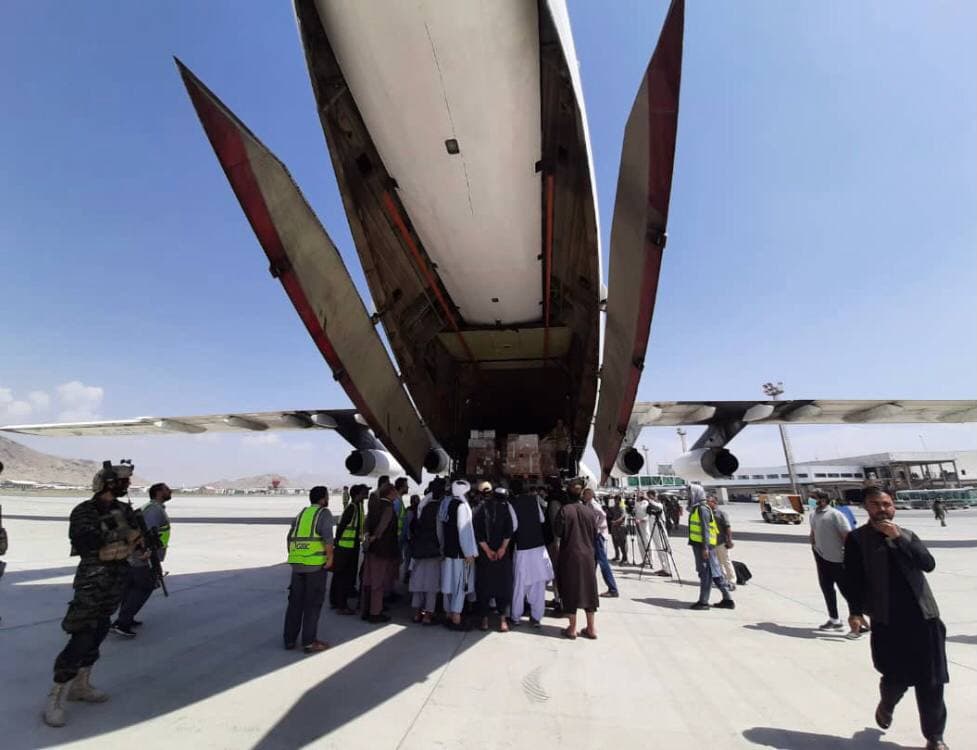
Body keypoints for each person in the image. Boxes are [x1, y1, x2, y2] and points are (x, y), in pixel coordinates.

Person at [845, 487, 949, 750]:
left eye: (887, 504)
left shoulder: (908, 535)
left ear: (894, 506)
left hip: (924, 618)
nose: (882, 509)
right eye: (875, 504)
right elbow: (853, 579)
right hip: (887, 620)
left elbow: (928, 564)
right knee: (895, 677)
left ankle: (934, 737)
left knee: (932, 681)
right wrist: (855, 612)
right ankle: (887, 703)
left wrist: (900, 538)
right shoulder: (857, 539)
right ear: (866, 507)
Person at [44, 460, 141, 728]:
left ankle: (81, 685)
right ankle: (56, 696)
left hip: (117, 578)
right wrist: (123, 536)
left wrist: (137, 541)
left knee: (99, 631)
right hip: (92, 580)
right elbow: (86, 541)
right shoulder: (85, 510)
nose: (127, 485)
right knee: (82, 634)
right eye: (122, 481)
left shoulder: (124, 509)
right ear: (108, 483)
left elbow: (136, 536)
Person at [111, 482, 173, 636]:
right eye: (166, 489)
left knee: (132, 587)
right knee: (144, 586)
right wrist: (148, 551)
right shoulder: (154, 510)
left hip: (140, 554)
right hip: (144, 556)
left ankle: (126, 618)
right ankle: (122, 622)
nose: (169, 491)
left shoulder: (152, 508)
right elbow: (146, 533)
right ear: (158, 492)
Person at [283, 486, 334, 653]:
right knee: (312, 604)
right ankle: (309, 642)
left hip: (297, 566)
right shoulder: (324, 514)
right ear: (322, 499)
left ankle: (289, 640)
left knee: (295, 603)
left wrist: (294, 555)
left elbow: (289, 538)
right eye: (327, 496)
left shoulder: (301, 514)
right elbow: (327, 538)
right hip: (315, 566)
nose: (328, 499)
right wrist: (330, 559)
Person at [554, 479, 600, 639]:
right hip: (588, 556)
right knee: (589, 590)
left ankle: (572, 628)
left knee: (569, 589)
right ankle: (591, 628)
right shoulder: (590, 512)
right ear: (581, 494)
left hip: (570, 555)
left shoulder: (564, 510)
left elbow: (558, 532)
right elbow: (595, 533)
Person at [508, 478, 553, 628]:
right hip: (539, 548)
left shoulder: (511, 503)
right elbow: (541, 519)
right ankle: (536, 617)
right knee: (538, 585)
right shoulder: (534, 500)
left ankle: (515, 617)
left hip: (523, 549)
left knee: (520, 586)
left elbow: (513, 526)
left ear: (512, 490)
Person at [473, 487, 516, 631]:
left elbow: (478, 533)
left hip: (486, 556)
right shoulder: (506, 509)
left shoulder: (481, 509)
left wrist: (487, 551)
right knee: (503, 587)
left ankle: (484, 621)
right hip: (501, 556)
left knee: (484, 586)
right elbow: (509, 531)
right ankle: (502, 621)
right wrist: (502, 549)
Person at [809, 489, 853, 631]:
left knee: (847, 591)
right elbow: (813, 532)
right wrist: (814, 546)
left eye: (813, 498)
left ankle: (857, 619)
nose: (811, 500)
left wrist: (849, 556)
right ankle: (834, 619)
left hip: (837, 559)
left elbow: (847, 535)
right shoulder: (813, 515)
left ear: (822, 499)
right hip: (821, 557)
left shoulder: (835, 514)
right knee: (827, 589)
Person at [687, 484, 735, 610]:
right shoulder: (698, 507)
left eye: (690, 493)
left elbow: (705, 529)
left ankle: (703, 602)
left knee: (705, 573)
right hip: (705, 546)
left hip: (703, 547)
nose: (688, 496)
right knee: (715, 573)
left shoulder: (702, 509)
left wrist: (705, 548)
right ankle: (728, 599)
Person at [439, 480, 477, 630]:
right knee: (460, 585)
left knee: (449, 584)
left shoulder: (447, 505)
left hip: (449, 551)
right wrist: (469, 553)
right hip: (460, 554)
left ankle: (449, 613)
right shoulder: (462, 507)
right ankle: (456, 617)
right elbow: (464, 531)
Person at [360, 483, 400, 623]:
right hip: (382, 549)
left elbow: (365, 524)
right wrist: (374, 537)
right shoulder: (388, 507)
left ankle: (365, 609)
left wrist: (367, 539)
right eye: (395, 491)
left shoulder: (374, 506)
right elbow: (382, 526)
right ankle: (375, 613)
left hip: (371, 550)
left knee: (368, 580)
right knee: (378, 582)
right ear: (390, 493)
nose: (397, 494)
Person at [409, 478, 444, 624]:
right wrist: (442, 548)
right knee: (431, 584)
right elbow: (440, 531)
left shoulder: (422, 506)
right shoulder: (441, 507)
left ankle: (417, 613)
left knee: (418, 582)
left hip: (419, 549)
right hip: (433, 551)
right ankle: (428, 615)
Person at [330, 484, 367, 615]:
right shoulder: (352, 508)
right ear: (357, 495)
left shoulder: (357, 507)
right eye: (364, 493)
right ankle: (341, 605)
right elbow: (341, 527)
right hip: (346, 548)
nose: (366, 495)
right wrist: (337, 542)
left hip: (349, 546)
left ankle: (335, 601)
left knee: (340, 575)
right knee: (343, 577)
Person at [585, 488, 619, 598]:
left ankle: (612, 589)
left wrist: (596, 526)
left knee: (603, 562)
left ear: (589, 495)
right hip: (597, 535)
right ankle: (588, 586)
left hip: (598, 536)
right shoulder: (589, 503)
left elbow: (603, 515)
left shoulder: (593, 504)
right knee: (592, 562)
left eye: (584, 494)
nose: (583, 496)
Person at [544, 476, 569, 613]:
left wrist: (556, 543)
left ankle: (559, 601)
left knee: (557, 573)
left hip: (556, 543)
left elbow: (555, 525)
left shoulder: (554, 503)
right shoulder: (565, 499)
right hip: (563, 542)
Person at [708, 494, 735, 590]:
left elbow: (728, 528)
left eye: (709, 501)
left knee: (726, 561)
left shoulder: (721, 514)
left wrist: (729, 540)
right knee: (717, 563)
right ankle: (722, 580)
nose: (707, 503)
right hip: (712, 543)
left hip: (721, 542)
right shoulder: (707, 514)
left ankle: (732, 581)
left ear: (715, 502)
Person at [606, 496, 628, 564]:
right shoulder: (613, 507)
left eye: (617, 500)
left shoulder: (622, 507)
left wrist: (616, 522)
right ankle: (617, 556)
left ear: (619, 500)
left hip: (621, 527)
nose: (615, 501)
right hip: (614, 527)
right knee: (615, 543)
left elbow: (623, 517)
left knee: (622, 544)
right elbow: (610, 515)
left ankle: (624, 558)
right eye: (615, 500)